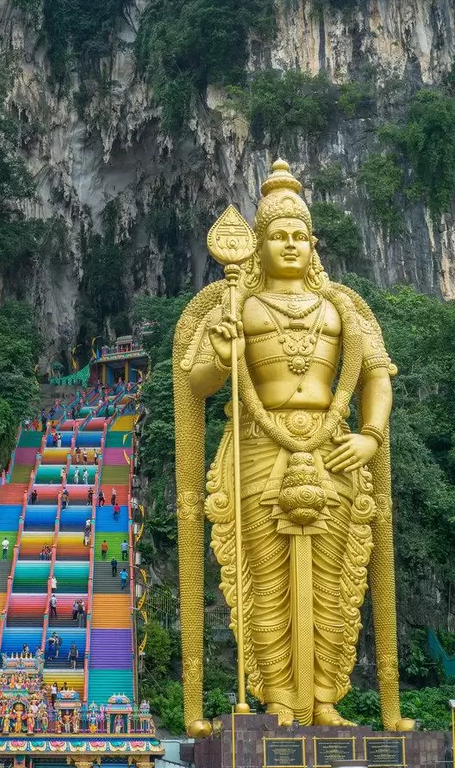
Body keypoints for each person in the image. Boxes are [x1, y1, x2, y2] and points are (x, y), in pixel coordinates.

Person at [173, 159, 416, 732]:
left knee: (336, 581)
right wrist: (224, 352)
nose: (289, 245)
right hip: (259, 447)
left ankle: (327, 698)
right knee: (265, 579)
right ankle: (279, 699)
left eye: (298, 236)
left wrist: (370, 436)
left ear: (313, 244)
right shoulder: (235, 306)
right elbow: (197, 382)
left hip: (334, 448)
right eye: (277, 235)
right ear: (257, 244)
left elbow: (377, 375)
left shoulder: (346, 308)